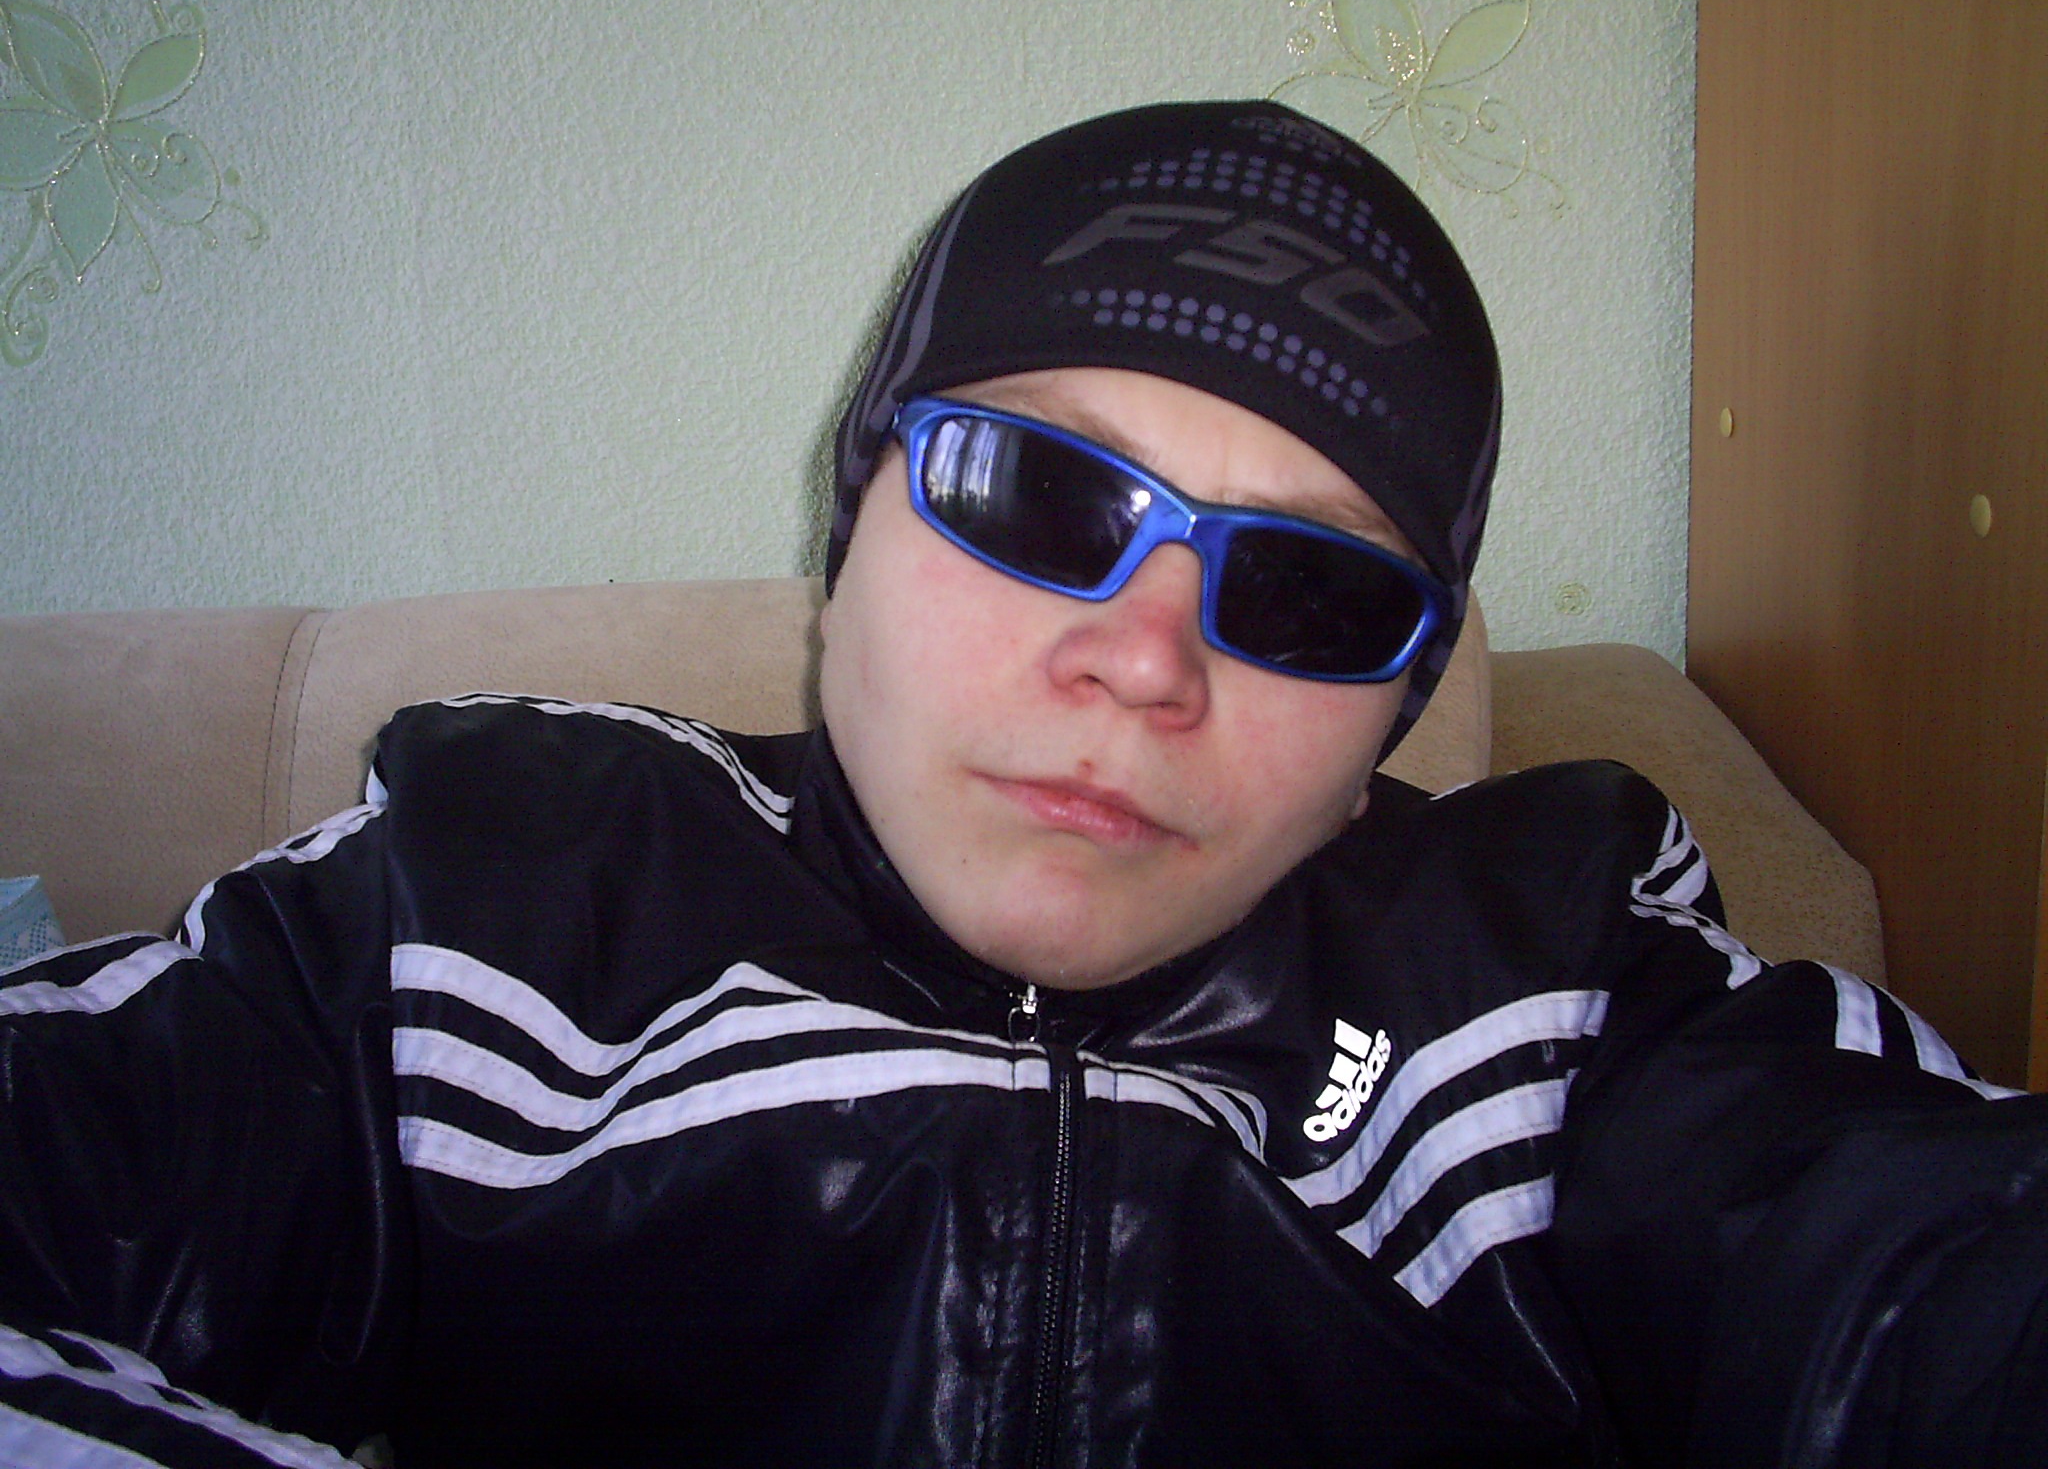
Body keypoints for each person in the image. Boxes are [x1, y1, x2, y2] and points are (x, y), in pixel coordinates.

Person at [2, 100, 2045, 1469]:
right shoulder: (486, 903)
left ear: (1390, 719)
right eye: (1038, 491)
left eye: (1312, 590)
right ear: (851, 532)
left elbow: (1927, 1284)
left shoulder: (1560, 984)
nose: (1146, 659)